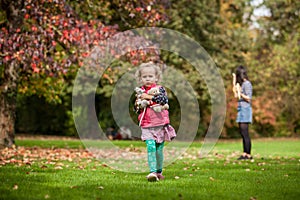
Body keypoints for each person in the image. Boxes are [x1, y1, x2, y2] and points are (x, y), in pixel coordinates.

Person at [134, 62, 176, 181]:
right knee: (151, 146)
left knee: (158, 149)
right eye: (144, 76)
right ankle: (152, 172)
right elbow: (136, 109)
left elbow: (162, 100)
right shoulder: (140, 92)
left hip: (160, 124)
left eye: (150, 76)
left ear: (156, 77)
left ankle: (159, 171)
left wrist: (148, 97)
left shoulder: (160, 89)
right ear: (140, 78)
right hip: (147, 124)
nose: (147, 79)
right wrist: (139, 104)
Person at [232, 65, 253, 160]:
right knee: (242, 132)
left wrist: (241, 92)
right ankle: (245, 153)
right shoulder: (242, 84)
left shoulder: (247, 84)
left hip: (245, 110)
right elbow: (236, 95)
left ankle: (248, 154)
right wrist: (234, 83)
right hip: (241, 109)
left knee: (245, 133)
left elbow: (248, 98)